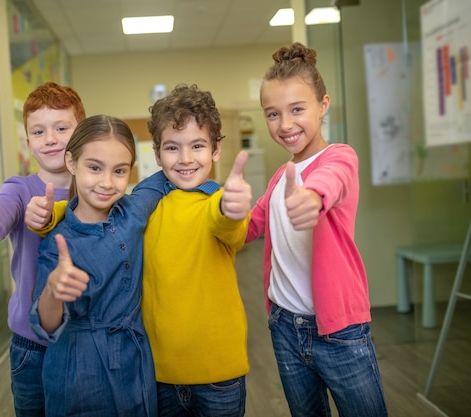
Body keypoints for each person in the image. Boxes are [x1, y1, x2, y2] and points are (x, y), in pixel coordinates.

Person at [246, 42, 388, 417]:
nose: (285, 124)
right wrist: (220, 209)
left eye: (297, 109)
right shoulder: (279, 177)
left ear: (323, 105)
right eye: (273, 114)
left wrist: (312, 197)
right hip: (284, 325)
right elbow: (248, 227)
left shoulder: (339, 156)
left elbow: (332, 180)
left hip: (339, 332)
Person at [0, 81, 86, 417]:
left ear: (81, 132)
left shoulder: (97, 190)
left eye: (61, 127)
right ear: (28, 142)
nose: (51, 139)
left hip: (88, 344)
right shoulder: (19, 189)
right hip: (33, 349)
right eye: (39, 131)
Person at [29, 114, 169, 417]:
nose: (107, 182)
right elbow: (45, 325)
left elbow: (168, 174)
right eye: (94, 167)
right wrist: (54, 289)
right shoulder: (58, 244)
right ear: (71, 162)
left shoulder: (133, 211)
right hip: (78, 372)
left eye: (119, 171)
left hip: (135, 364)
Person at [142, 83, 252, 417]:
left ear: (216, 149)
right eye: (173, 148)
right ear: (158, 154)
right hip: (160, 376)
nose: (186, 158)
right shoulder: (144, 205)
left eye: (198, 146)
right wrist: (51, 216)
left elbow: (228, 224)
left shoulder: (218, 202)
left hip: (219, 376)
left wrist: (233, 208)